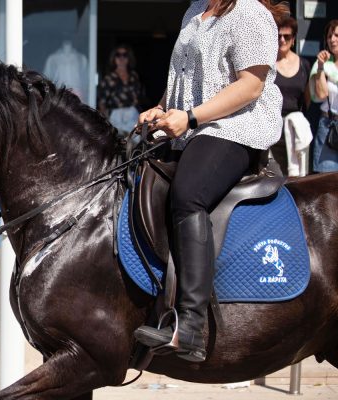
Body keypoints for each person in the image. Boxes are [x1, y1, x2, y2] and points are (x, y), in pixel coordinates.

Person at [133, 0, 286, 362]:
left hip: (238, 128)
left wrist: (190, 117)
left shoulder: (250, 13)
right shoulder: (194, 11)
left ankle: (190, 325)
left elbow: (250, 86)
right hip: (191, 127)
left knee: (189, 195)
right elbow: (185, 80)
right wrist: (162, 108)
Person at [272, 15, 311, 175]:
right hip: (274, 127)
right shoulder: (269, 64)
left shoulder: (304, 65)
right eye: (279, 36)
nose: (282, 40)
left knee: (298, 177)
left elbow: (307, 100)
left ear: (293, 39)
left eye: (286, 36)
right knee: (275, 176)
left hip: (296, 129)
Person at [97, 45, 148, 135]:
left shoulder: (134, 76)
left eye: (125, 55)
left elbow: (139, 98)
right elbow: (102, 103)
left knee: (135, 142)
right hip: (116, 116)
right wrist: (104, 122)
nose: (121, 58)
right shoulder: (109, 78)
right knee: (118, 143)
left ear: (129, 58)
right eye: (118, 55)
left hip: (133, 114)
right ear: (114, 58)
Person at [309, 19, 338, 173]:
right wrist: (320, 66)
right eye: (329, 36)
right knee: (327, 179)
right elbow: (321, 94)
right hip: (329, 125)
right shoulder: (323, 65)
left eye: (337, 35)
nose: (332, 39)